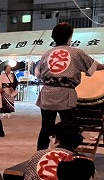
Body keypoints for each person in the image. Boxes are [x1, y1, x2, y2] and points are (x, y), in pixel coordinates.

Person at [36, 22, 104, 150]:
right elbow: (93, 67)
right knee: (70, 127)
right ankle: (67, 152)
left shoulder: (47, 53)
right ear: (69, 37)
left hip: (47, 93)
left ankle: (40, 154)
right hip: (65, 93)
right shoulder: (76, 52)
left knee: (46, 128)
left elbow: (38, 74)